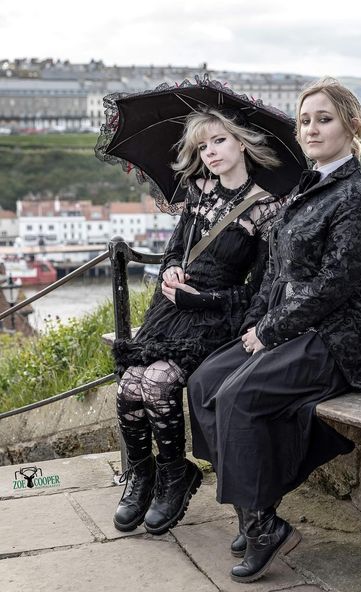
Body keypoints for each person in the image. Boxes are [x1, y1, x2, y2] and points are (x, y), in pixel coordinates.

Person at [187, 78, 361, 583]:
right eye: (305, 120)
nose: (312, 128)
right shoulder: (309, 182)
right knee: (204, 383)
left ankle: (261, 525)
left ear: (352, 125)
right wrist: (257, 320)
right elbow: (276, 270)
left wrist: (271, 331)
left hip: (334, 339)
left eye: (324, 118)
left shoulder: (357, 196)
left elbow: (334, 287)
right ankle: (253, 510)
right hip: (287, 328)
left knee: (237, 398)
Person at [112, 107, 284, 535]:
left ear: (242, 142)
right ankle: (143, 475)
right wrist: (171, 269)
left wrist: (202, 298)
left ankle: (175, 476)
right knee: (128, 386)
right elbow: (174, 251)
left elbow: (259, 289)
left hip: (213, 316)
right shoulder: (196, 191)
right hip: (169, 309)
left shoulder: (265, 208)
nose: (210, 152)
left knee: (157, 382)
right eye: (202, 146)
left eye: (219, 141)